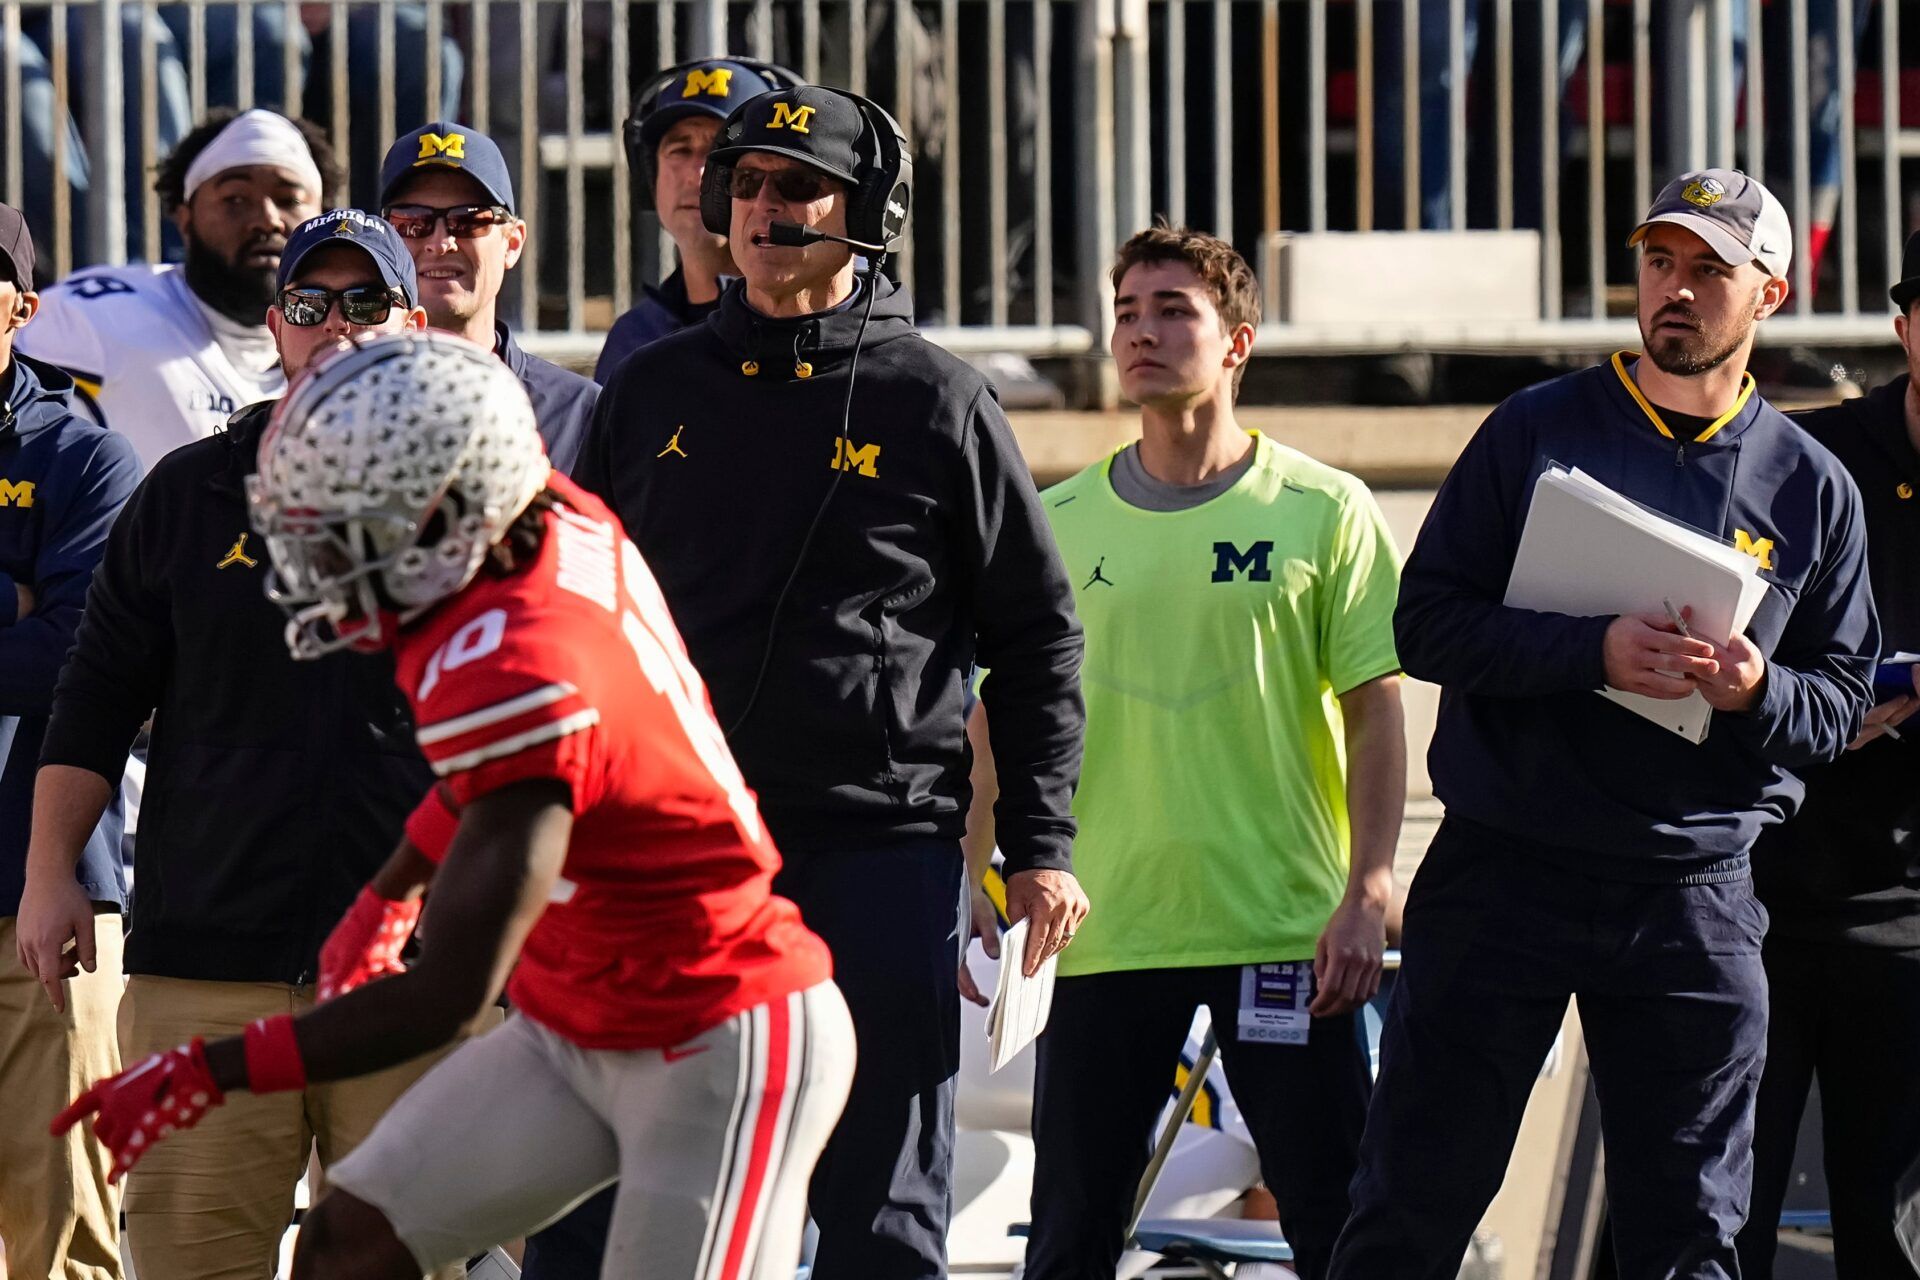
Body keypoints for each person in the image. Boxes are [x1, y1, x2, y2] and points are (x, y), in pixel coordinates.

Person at [54, 330, 856, 1280]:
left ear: (451, 511)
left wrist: (213, 1067)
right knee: (350, 1246)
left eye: (354, 519)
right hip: (576, 1020)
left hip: (713, 1033)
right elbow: (501, 775)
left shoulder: (525, 663)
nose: (321, 553)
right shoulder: (553, 519)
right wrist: (387, 897)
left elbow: (444, 994)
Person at [1327, 169, 1879, 1279]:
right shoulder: (1534, 427)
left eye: (1709, 270)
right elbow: (1427, 626)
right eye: (1659, 261)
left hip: (1695, 898)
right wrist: (1591, 649)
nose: (1675, 289)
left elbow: (1839, 707)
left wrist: (1755, 687)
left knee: (1689, 1238)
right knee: (1407, 1206)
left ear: (1770, 294)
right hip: (1505, 873)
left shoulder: (1815, 486)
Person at [578, 84, 1089, 1280]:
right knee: (633, 1184)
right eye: (745, 184)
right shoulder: (648, 394)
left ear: (868, 214)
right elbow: (583, 616)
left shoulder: (940, 400)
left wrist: (1041, 840)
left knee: (882, 1204)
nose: (763, 208)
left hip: (879, 854)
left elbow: (1036, 634)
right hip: (679, 849)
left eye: (798, 186)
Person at [15, 209, 442, 1280]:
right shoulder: (188, 493)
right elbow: (93, 700)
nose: (334, 325)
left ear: (414, 321)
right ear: (274, 327)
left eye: (363, 302)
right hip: (206, 966)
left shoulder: (468, 498)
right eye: (309, 304)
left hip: (401, 972)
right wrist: (48, 872)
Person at [1018, 223, 1404, 1280]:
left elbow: (1377, 711)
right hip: (1105, 930)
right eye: (1127, 311)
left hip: (1282, 929)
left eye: (1174, 310)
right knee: (1068, 1241)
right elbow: (995, 713)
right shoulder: (1054, 521)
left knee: (1338, 1233)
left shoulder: (1327, 510)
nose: (1142, 332)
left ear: (1238, 340)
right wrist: (987, 869)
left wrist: (1368, 889)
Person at [1735, 230, 1920, 1277]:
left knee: (1893, 1238)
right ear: (1902, 330)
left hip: (1906, 919)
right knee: (1713, 1222)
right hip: (1751, 887)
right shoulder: (1806, 457)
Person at [0, 201, 140, 1280]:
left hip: (39, 908)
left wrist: (36, 621)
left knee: (68, 1250)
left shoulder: (87, 459)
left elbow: (75, 659)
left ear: (21, 308)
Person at [18, 109, 335, 470]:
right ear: (185, 218)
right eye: (235, 199)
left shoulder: (353, 334)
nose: (267, 219)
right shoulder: (96, 316)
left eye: (290, 200)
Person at [376, 122, 597, 474]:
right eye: (412, 222)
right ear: (384, 242)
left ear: (512, 243)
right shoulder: (353, 406)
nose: (440, 242)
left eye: (468, 221)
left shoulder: (579, 412)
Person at [596, 56, 800, 384]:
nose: (698, 175)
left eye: (719, 153)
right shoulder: (633, 340)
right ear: (650, 176)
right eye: (680, 150)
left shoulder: (825, 327)